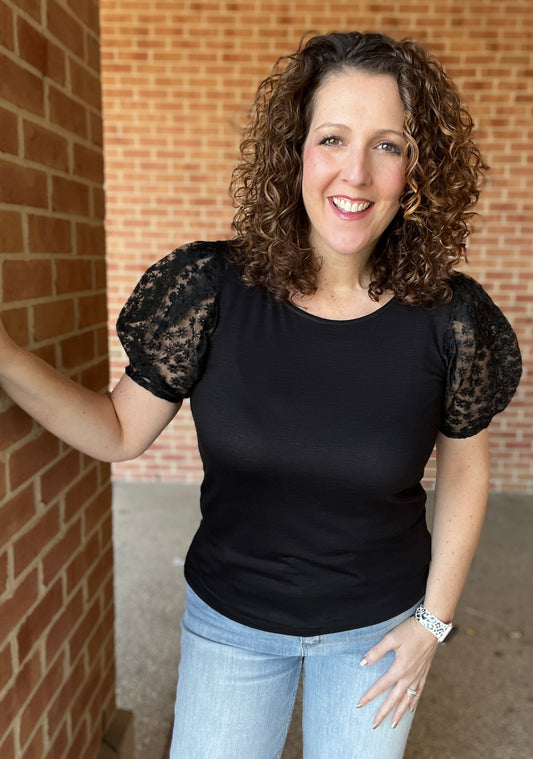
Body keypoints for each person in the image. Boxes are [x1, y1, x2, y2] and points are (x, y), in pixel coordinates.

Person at [0, 31, 522, 759]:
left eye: (389, 145)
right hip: (231, 622)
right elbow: (117, 431)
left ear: (417, 168)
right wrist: (5, 357)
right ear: (295, 153)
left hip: (377, 629)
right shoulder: (211, 291)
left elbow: (464, 469)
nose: (356, 173)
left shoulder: (449, 318)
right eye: (332, 138)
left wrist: (430, 623)